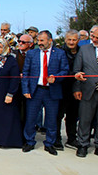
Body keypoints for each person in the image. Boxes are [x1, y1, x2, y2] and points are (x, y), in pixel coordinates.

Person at [22, 30, 68, 156]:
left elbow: (65, 70)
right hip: (35, 90)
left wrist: (56, 78)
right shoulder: (32, 53)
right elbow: (25, 73)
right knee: (31, 117)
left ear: (50, 40)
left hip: (51, 91)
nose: (39, 43)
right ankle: (30, 141)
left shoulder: (60, 53)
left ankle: (49, 143)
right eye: (38, 40)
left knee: (51, 119)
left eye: (42, 40)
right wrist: (25, 90)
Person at [72, 25, 98, 157]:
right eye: (93, 36)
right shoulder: (84, 49)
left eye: (97, 38)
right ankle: (83, 144)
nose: (94, 39)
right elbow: (77, 69)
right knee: (85, 119)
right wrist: (77, 87)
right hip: (87, 89)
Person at [57, 30, 80, 149]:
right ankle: (57, 138)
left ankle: (71, 138)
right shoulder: (59, 52)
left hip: (77, 88)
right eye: (69, 39)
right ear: (65, 40)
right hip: (61, 88)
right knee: (58, 115)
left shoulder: (82, 52)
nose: (71, 42)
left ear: (78, 40)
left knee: (73, 116)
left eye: (74, 40)